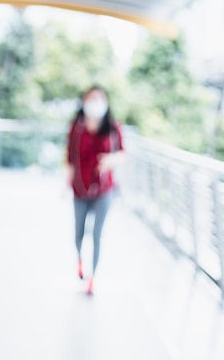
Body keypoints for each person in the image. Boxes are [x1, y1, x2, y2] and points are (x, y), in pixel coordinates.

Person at [66, 85, 125, 295]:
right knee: (79, 233)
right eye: (91, 98)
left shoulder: (112, 128)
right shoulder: (77, 127)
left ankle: (93, 277)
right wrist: (68, 179)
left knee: (97, 234)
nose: (95, 103)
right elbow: (69, 156)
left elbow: (123, 152)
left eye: (99, 98)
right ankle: (80, 261)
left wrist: (110, 160)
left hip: (104, 189)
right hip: (80, 188)